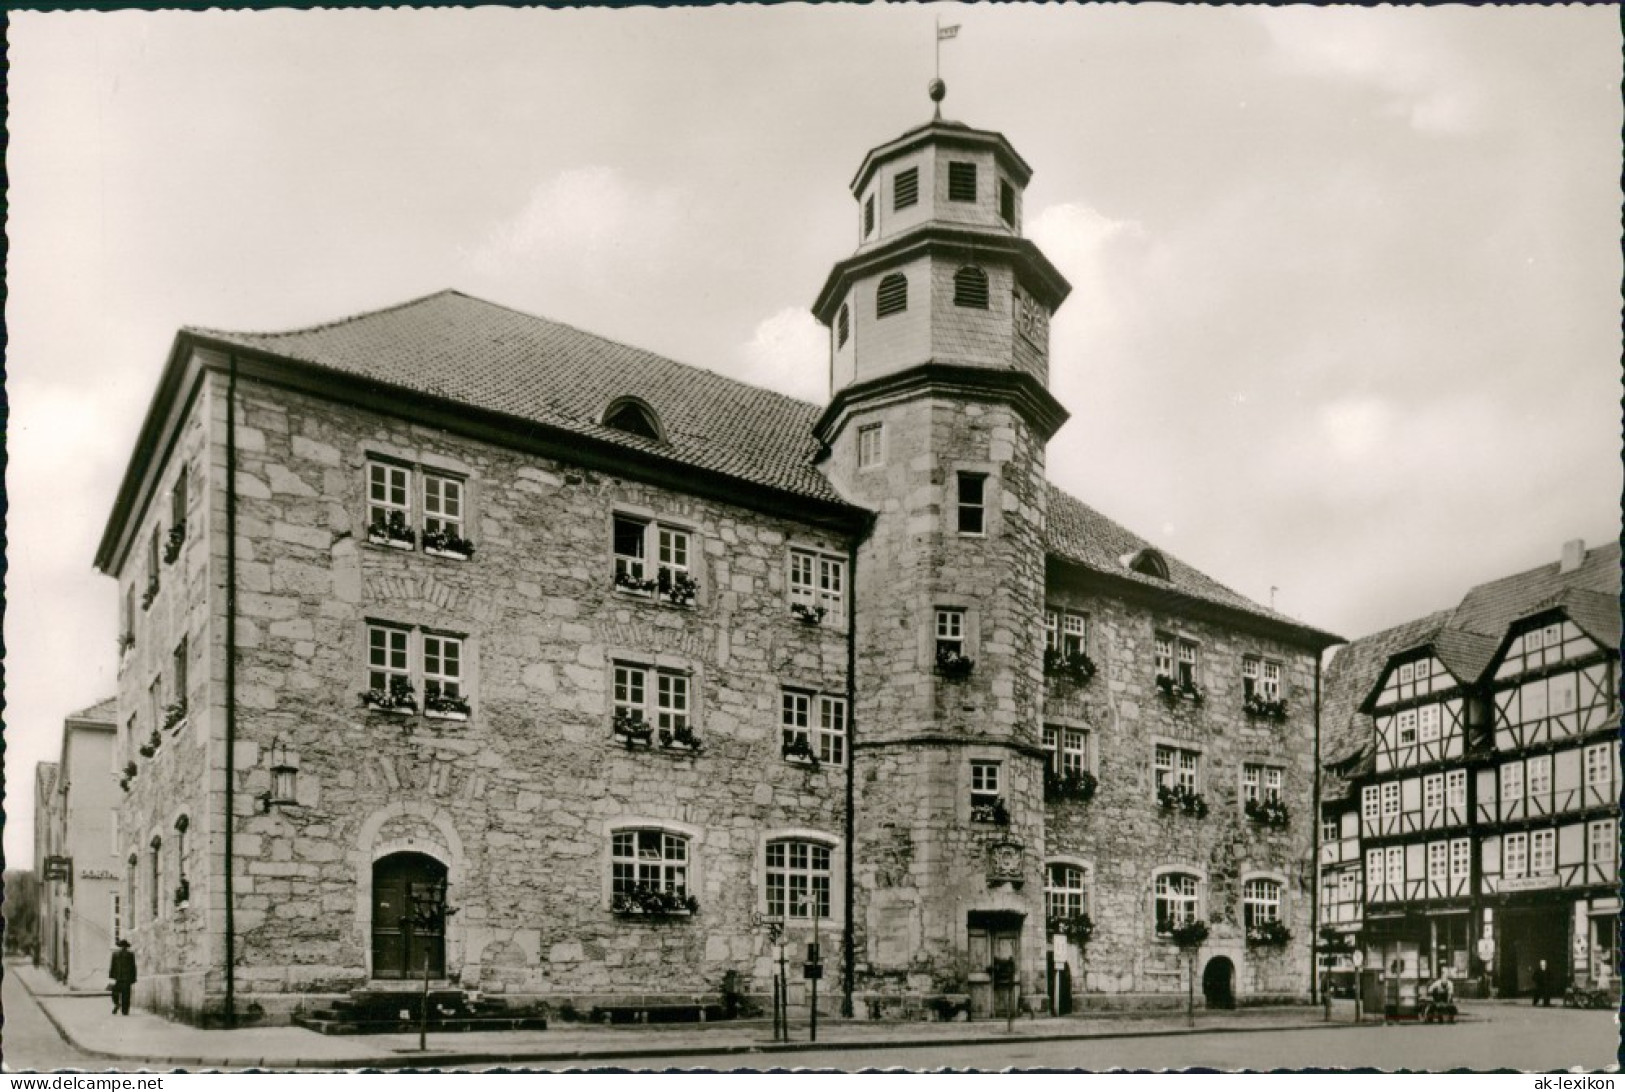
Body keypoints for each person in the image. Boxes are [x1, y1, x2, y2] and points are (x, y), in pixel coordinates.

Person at [108, 939, 137, 1016]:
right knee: (114, 993)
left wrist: (133, 978)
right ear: (120, 947)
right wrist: (111, 976)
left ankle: (125, 1011)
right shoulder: (115, 954)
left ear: (126, 947)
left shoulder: (130, 955)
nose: (123, 948)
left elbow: (133, 967)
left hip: (127, 979)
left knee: (126, 996)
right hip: (118, 978)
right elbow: (113, 965)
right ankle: (117, 1004)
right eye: (122, 946)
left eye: (124, 946)